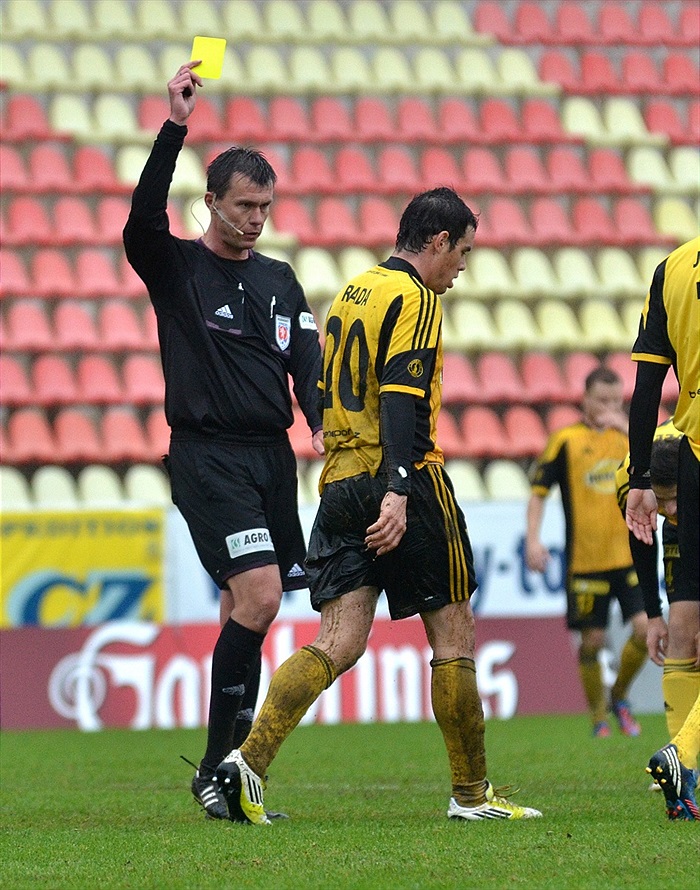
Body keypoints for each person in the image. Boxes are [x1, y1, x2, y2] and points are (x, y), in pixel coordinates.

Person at [215, 187, 542, 824]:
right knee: (454, 634)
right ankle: (472, 796)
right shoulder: (416, 297)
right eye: (463, 253)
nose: (462, 268)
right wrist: (398, 487)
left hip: (339, 483)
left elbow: (325, 380)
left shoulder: (354, 289)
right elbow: (399, 395)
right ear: (439, 242)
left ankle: (245, 764)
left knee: (337, 641)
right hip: (402, 476)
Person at [123, 61, 324, 820]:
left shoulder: (279, 278)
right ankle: (216, 769)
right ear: (210, 202)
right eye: (243, 205)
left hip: (272, 459)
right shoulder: (177, 268)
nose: (255, 219)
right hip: (207, 455)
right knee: (262, 594)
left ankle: (231, 774)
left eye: (265, 207)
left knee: (253, 607)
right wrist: (175, 126)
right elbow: (141, 221)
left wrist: (324, 425)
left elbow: (307, 364)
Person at [525, 367, 648, 738]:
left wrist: (626, 427)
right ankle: (598, 717)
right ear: (585, 399)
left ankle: (619, 695)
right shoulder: (566, 440)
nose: (610, 407)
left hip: (630, 557)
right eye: (602, 400)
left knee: (645, 630)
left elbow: (660, 465)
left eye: (616, 400)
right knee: (592, 641)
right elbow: (538, 493)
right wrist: (532, 539)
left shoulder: (630, 437)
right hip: (586, 562)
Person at [625, 235, 699, 820]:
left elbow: (647, 385)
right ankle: (683, 752)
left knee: (686, 626)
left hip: (692, 451)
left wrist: (640, 476)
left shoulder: (673, 267)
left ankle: (683, 760)